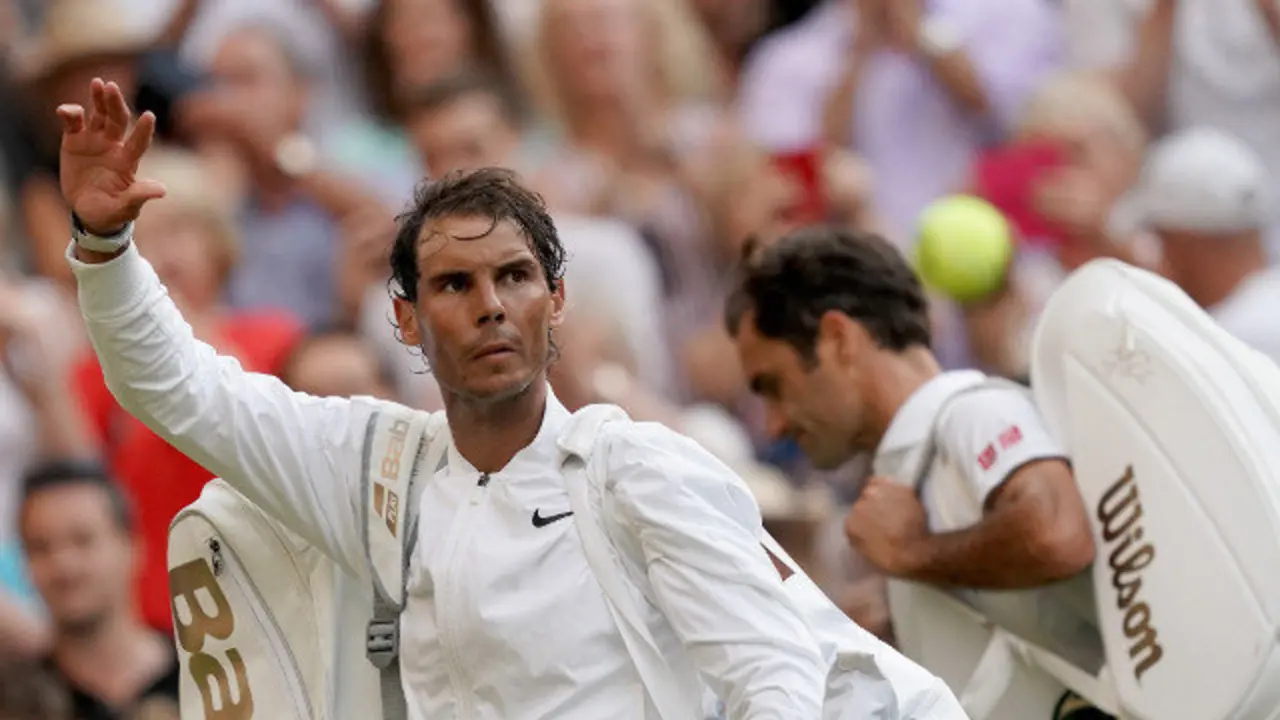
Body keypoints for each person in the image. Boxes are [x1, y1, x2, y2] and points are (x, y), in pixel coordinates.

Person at [57, 78, 828, 717]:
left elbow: (775, 679)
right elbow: (180, 390)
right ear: (405, 317)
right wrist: (103, 245)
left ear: (555, 299)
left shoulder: (635, 469)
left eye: (516, 277)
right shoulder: (375, 469)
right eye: (455, 284)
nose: (491, 305)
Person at [726, 226, 1104, 715]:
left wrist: (911, 553)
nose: (774, 424)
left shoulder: (973, 413)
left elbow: (1059, 531)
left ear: (839, 338)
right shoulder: (923, 462)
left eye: (775, 385)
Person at [19, 460, 179, 720]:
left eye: (82, 540)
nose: (64, 565)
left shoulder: (204, 678)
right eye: (41, 547)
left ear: (132, 546)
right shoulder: (15, 699)